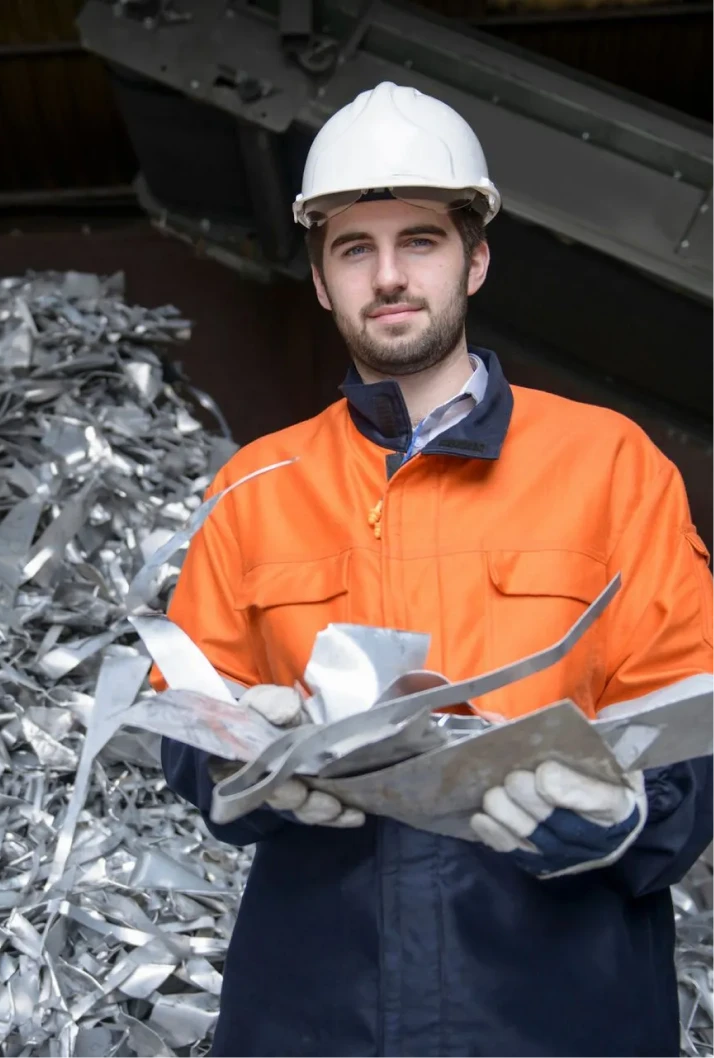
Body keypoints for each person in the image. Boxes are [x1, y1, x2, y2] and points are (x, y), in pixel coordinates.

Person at [154, 81, 714, 1057]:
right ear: (322, 281)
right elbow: (186, 713)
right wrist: (232, 766)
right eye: (353, 249)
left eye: (418, 239)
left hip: (555, 1014)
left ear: (475, 257)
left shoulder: (609, 465)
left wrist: (631, 817)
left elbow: (694, 710)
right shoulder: (253, 486)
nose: (388, 275)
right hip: (317, 1016)